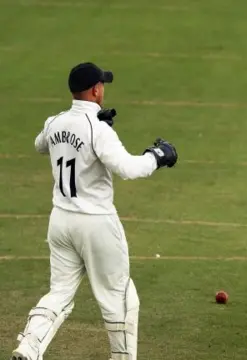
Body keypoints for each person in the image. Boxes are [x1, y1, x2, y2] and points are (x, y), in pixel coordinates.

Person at [10, 62, 178, 360]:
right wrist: (157, 156)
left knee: (60, 293)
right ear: (96, 90)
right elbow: (127, 168)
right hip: (97, 223)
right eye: (103, 85)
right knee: (120, 298)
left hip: (60, 221)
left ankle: (29, 346)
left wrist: (79, 140)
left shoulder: (56, 122)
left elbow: (40, 145)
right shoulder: (97, 129)